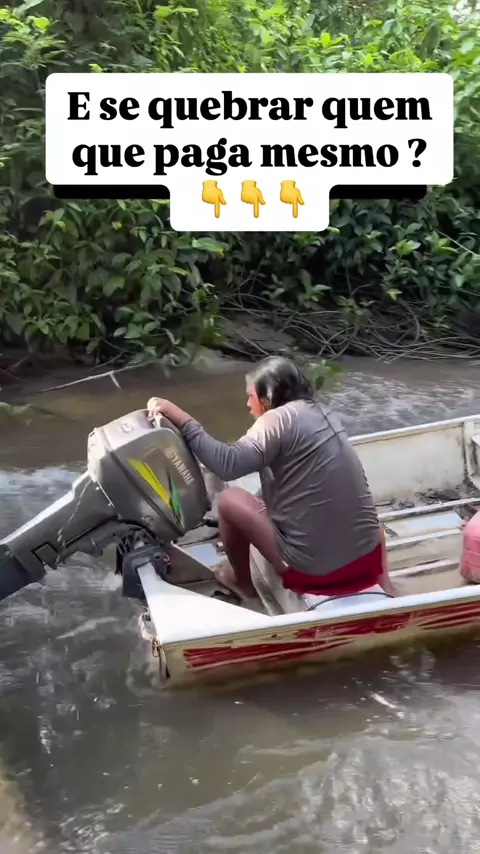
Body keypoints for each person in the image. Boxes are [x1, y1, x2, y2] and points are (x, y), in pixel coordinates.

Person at [147, 356, 396, 602]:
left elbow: (227, 464)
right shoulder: (324, 412)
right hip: (368, 561)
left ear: (267, 398)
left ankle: (240, 582)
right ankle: (387, 585)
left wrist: (181, 418)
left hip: (315, 574)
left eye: (251, 397)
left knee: (229, 499)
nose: (248, 404)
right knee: (363, 510)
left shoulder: (276, 420)